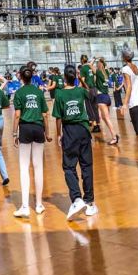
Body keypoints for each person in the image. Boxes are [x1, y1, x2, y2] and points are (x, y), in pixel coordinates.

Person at [53, 65, 97, 220]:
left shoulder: (59, 94)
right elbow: (91, 93)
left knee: (69, 166)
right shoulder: (80, 91)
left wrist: (59, 134)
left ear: (64, 77)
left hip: (70, 131)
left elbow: (58, 117)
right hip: (83, 130)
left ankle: (77, 198)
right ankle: (89, 201)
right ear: (75, 77)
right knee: (86, 165)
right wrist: (81, 81)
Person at [12, 65, 51, 217]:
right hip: (38, 128)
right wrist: (47, 132)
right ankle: (39, 204)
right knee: (38, 166)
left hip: (25, 128)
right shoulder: (38, 92)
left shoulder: (19, 93)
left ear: (21, 77)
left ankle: (25, 206)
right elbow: (45, 114)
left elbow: (17, 115)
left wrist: (14, 133)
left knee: (24, 167)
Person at [93, 58, 118, 145]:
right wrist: (101, 60)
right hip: (107, 97)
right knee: (104, 118)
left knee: (106, 118)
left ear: (99, 65)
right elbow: (106, 66)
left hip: (101, 97)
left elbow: (90, 65)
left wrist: (94, 59)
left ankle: (114, 137)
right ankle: (114, 134)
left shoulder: (98, 72)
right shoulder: (106, 72)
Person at [78, 55, 99, 133]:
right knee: (95, 107)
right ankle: (97, 124)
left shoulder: (83, 68)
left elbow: (82, 81)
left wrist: (77, 88)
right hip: (94, 88)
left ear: (81, 60)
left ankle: (95, 125)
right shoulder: (90, 66)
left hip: (88, 89)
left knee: (89, 108)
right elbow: (95, 75)